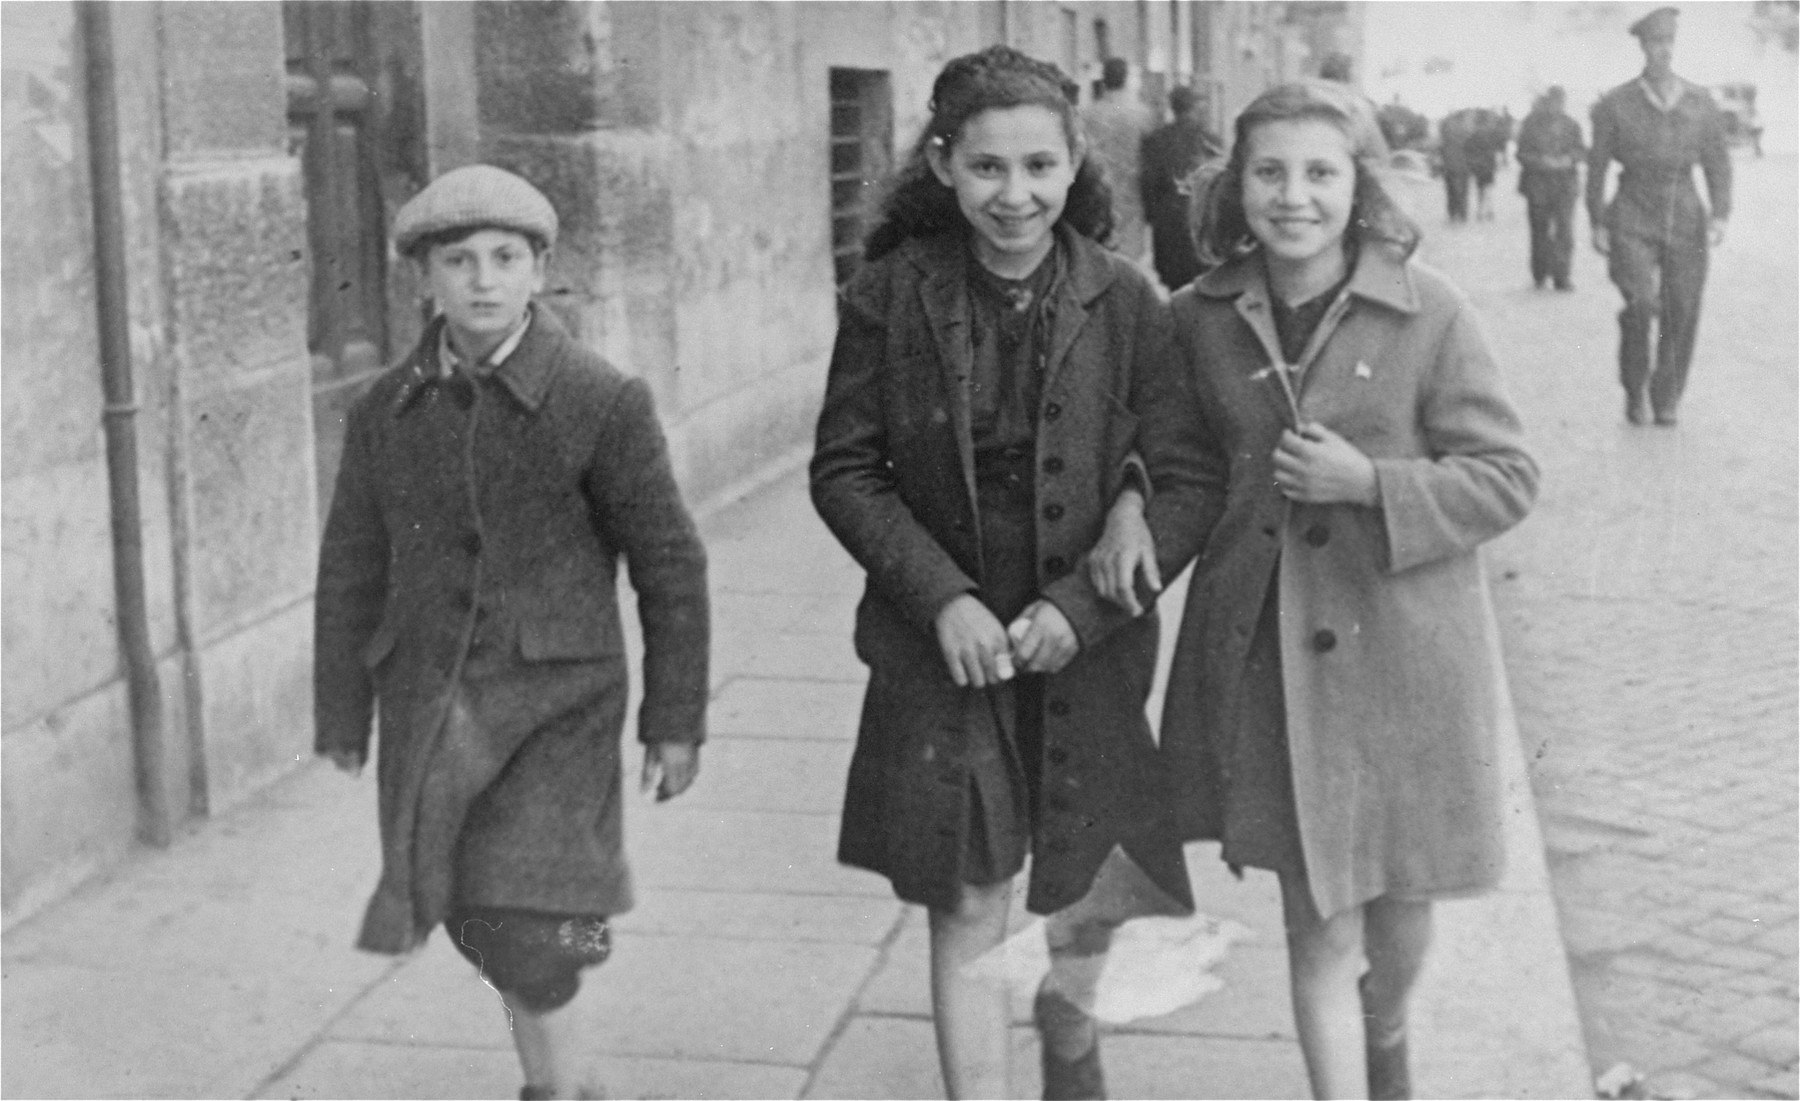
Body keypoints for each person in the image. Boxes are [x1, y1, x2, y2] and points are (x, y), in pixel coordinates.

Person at [1094, 80, 1539, 1100]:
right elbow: (1160, 449)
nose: (1293, 197)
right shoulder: (1196, 318)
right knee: (1318, 921)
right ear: (1234, 184)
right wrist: (1129, 501)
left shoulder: (1431, 312)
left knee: (1402, 922)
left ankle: (1388, 1042)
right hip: (1271, 670)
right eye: (1269, 172)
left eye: (1320, 173)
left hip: (1408, 664)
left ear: (1360, 186)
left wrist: (1372, 484)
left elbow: (1509, 476)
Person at [810, 45, 1210, 1101]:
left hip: (1088, 654)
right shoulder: (889, 297)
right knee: (968, 897)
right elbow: (845, 470)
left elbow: (1185, 477)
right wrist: (938, 597)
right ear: (942, 165)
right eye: (987, 168)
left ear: (1076, 160)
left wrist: (1085, 605)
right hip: (941, 658)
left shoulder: (1127, 302)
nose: (1015, 195)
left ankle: (1071, 1056)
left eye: (1039, 166)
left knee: (1084, 894)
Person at [314, 164, 710, 1101]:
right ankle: (572, 1079)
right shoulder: (386, 408)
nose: (483, 280)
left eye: (506, 258)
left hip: (556, 707)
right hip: (436, 707)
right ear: (425, 278)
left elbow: (670, 564)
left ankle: (562, 1090)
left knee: (533, 923)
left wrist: (675, 717)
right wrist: (341, 711)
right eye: (459, 260)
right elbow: (352, 567)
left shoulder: (599, 398)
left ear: (541, 269)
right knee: (469, 913)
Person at [1587, 5, 1732, 426]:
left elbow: (1718, 163)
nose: (1663, 51)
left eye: (1668, 43)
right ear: (1643, 48)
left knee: (1682, 307)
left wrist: (1720, 214)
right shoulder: (1616, 104)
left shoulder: (1700, 102)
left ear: (1675, 46)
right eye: (1655, 44)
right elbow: (1596, 168)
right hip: (1632, 209)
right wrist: (1597, 221)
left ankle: (1666, 396)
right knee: (1641, 302)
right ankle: (1635, 388)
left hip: (1684, 211)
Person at [1140, 84, 1224, 292]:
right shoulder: (1209, 139)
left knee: (1174, 284)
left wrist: (1152, 216)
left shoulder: (1155, 139)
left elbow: (1148, 183)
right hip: (1199, 219)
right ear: (1194, 108)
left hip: (1168, 220)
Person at [1082, 57, 1156, 263]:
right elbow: (1150, 154)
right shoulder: (1142, 114)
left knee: (1100, 248)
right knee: (1129, 254)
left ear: (1104, 79)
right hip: (1132, 187)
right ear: (1125, 79)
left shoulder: (1088, 114)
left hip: (1097, 187)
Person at [1517, 87, 1586, 290]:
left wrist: (1569, 158)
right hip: (1538, 186)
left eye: (1561, 102)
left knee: (1565, 232)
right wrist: (1541, 161)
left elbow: (1581, 151)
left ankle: (1562, 276)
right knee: (1540, 231)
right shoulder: (1531, 124)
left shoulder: (1572, 125)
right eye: (1553, 102)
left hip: (1565, 185)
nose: (1557, 106)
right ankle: (1539, 273)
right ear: (1547, 102)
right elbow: (1521, 154)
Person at [1437, 109, 1474, 223]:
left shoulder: (1447, 132)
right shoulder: (1466, 132)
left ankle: (1452, 214)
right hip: (1463, 166)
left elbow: (1441, 149)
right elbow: (1471, 150)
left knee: (1451, 191)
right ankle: (1462, 214)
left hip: (1449, 166)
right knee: (1463, 191)